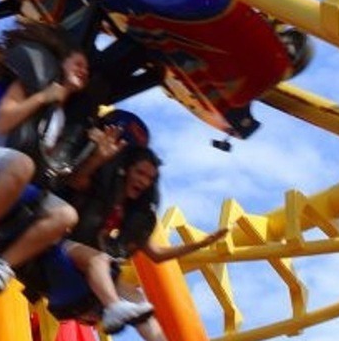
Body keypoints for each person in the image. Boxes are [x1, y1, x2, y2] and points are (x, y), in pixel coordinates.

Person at [0, 20, 90, 292]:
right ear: (61, 63)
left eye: (86, 70)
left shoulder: (59, 117)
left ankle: (3, 265)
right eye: (78, 64)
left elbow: (44, 161)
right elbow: (3, 122)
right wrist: (43, 97)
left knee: (66, 215)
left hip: (14, 173)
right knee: (22, 164)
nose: (83, 71)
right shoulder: (31, 86)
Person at [60, 143, 230, 339]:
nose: (144, 181)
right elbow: (76, 180)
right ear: (125, 169)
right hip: (63, 246)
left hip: (90, 266)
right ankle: (114, 306)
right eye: (140, 173)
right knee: (100, 260)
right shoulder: (99, 189)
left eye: (150, 178)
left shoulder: (129, 213)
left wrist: (201, 244)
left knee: (139, 304)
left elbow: (157, 254)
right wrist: (99, 156)